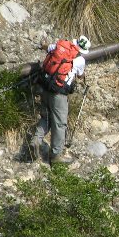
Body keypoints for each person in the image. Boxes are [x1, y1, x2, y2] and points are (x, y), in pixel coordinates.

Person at [28, 35, 90, 165]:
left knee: (46, 118)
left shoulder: (60, 46)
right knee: (60, 123)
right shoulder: (79, 59)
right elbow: (79, 75)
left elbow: (47, 48)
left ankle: (36, 140)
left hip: (45, 87)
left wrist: (43, 45)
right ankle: (56, 156)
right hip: (59, 94)